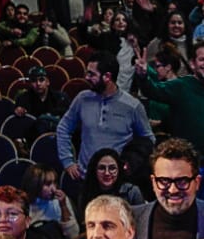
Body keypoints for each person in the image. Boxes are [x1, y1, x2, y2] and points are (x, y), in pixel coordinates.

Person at [136, 42, 204, 193]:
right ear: (192, 63)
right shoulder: (181, 85)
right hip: (187, 165)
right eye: (202, 59)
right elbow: (153, 90)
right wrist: (143, 76)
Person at [55, 59, 155, 189]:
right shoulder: (82, 98)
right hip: (85, 180)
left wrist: (130, 164)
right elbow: (63, 128)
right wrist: (68, 161)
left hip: (118, 182)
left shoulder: (132, 106)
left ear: (107, 76)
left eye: (92, 74)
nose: (86, 77)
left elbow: (148, 140)